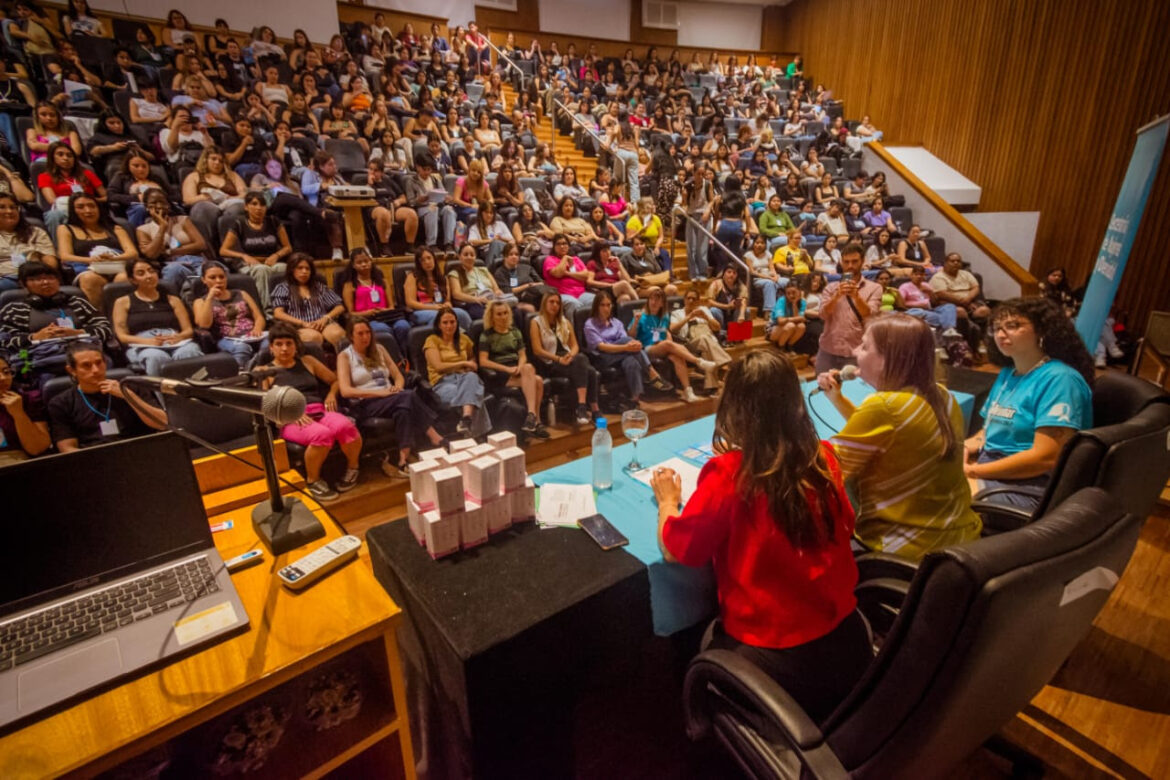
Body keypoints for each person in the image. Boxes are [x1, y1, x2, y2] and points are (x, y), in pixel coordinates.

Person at [650, 349, 870, 724]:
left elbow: (677, 550)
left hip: (775, 657)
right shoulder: (825, 458)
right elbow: (847, 526)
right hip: (847, 641)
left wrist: (668, 502)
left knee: (689, 635)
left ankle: (698, 721)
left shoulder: (730, 473)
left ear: (735, 407)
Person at [817, 314, 981, 559]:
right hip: (959, 538)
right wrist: (837, 399)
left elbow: (828, 470)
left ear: (887, 359)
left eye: (865, 346)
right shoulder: (942, 395)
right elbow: (889, 436)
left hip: (904, 549)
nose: (855, 351)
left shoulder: (884, 406)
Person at [964, 298, 1095, 510]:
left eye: (1013, 325)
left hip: (1029, 485)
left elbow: (1045, 458)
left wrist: (973, 471)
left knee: (935, 494)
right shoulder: (1008, 373)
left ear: (1042, 330)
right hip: (991, 468)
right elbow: (988, 429)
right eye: (996, 328)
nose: (1000, 334)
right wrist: (964, 447)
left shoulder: (1061, 379)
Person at [261, 323, 362, 502]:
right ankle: (313, 480)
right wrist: (291, 413)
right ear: (271, 347)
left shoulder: (308, 361)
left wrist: (331, 394)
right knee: (322, 435)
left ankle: (353, 469)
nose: (284, 348)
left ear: (296, 345)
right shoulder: (264, 371)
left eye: (289, 343)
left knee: (346, 426)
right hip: (291, 419)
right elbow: (264, 403)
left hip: (319, 411)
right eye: (279, 344)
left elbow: (335, 381)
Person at [337, 316, 444, 479]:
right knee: (408, 397)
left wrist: (398, 387)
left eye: (368, 332)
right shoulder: (345, 356)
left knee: (403, 410)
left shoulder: (379, 349)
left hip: (393, 398)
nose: (365, 337)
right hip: (367, 402)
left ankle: (403, 458)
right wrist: (380, 393)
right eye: (360, 333)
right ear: (351, 336)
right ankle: (434, 435)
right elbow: (345, 391)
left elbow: (398, 375)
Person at [48, 341, 168, 452]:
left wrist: (128, 396)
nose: (95, 370)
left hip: (140, 450)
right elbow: (67, 448)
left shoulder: (131, 387)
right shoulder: (61, 403)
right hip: (94, 457)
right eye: (86, 365)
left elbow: (162, 423)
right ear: (72, 370)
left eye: (99, 363)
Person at [0, 262, 113, 367]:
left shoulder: (77, 303)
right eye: (37, 279)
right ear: (24, 284)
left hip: (84, 356)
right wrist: (34, 337)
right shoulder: (14, 309)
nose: (46, 282)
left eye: (51, 278)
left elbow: (105, 328)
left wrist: (79, 333)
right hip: (39, 360)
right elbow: (5, 341)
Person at [584, 291, 673, 406]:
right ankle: (652, 374)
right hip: (602, 357)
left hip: (621, 354)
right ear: (596, 306)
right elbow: (602, 346)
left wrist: (631, 346)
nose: (606, 308)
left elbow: (626, 341)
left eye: (608, 305)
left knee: (631, 361)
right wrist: (627, 347)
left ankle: (635, 398)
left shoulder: (616, 323)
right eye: (602, 305)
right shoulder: (590, 324)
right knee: (629, 342)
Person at [630, 287, 717, 402]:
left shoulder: (664, 316)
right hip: (647, 348)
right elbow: (630, 335)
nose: (654, 302)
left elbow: (666, 333)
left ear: (662, 304)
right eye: (652, 299)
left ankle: (688, 392)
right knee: (668, 344)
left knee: (678, 356)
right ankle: (699, 362)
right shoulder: (641, 316)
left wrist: (671, 345)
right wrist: (635, 322)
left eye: (657, 300)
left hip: (663, 346)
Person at [529, 291, 602, 426]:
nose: (555, 305)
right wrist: (558, 359)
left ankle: (584, 407)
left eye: (557, 303)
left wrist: (570, 355)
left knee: (584, 363)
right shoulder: (536, 322)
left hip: (569, 359)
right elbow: (537, 350)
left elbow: (575, 346)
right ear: (544, 303)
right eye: (551, 302)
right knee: (588, 368)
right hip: (550, 362)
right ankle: (591, 409)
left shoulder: (565, 322)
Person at [478, 300, 549, 438]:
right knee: (538, 381)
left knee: (529, 368)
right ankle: (536, 421)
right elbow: (483, 361)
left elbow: (522, 355)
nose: (503, 317)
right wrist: (506, 369)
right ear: (492, 316)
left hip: (517, 369)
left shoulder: (515, 331)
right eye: (499, 314)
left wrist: (519, 367)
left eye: (505, 313)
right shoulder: (486, 335)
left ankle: (531, 418)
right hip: (499, 374)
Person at [57, 193, 138, 307]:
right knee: (90, 279)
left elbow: (133, 253)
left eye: (92, 206)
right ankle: (99, 316)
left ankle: (122, 313)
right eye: (81, 207)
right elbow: (65, 256)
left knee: (124, 278)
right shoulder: (65, 229)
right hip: (86, 269)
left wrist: (112, 258)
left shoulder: (116, 228)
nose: (88, 210)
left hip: (116, 266)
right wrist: (93, 260)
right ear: (73, 210)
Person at [815, 243, 883, 374]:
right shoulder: (831, 288)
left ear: (862, 261)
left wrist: (856, 297)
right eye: (846, 262)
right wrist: (836, 296)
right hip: (828, 349)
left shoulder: (875, 288)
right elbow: (823, 315)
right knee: (822, 384)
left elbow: (871, 317)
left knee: (854, 387)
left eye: (854, 261)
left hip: (856, 351)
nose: (850, 266)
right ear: (841, 262)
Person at [219, 191, 291, 311]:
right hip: (249, 265)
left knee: (284, 268)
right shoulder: (239, 224)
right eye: (254, 204)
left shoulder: (273, 221)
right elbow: (223, 251)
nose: (259, 208)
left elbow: (288, 247)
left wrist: (276, 255)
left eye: (262, 205)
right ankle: (267, 310)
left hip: (271, 262)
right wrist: (243, 256)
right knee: (261, 270)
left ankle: (288, 307)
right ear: (246, 207)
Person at [424, 307, 490, 437]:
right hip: (442, 382)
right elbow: (438, 366)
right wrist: (463, 363)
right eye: (445, 322)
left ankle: (466, 419)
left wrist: (471, 365)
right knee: (473, 395)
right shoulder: (432, 340)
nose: (449, 326)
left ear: (457, 323)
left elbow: (472, 359)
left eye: (452, 322)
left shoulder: (464, 339)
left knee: (471, 378)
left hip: (464, 378)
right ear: (439, 325)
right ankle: (477, 436)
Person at [191, 261, 266, 369]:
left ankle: (264, 371)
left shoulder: (242, 294)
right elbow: (204, 324)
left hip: (251, 335)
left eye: (221, 277)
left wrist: (257, 328)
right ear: (204, 280)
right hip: (226, 339)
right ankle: (240, 374)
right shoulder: (200, 302)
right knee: (242, 348)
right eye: (212, 277)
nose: (218, 281)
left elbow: (259, 317)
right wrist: (210, 298)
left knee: (271, 344)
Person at [135, 189, 206, 293]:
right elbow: (151, 254)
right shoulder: (143, 229)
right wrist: (162, 227)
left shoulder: (183, 220)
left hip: (196, 261)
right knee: (174, 270)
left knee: (210, 272)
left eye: (162, 202)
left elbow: (201, 245)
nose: (159, 206)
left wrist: (169, 252)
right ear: (146, 207)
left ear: (168, 205)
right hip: (172, 265)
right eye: (154, 203)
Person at [271, 254, 346, 349]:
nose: (304, 271)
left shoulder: (319, 287)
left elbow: (340, 307)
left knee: (337, 334)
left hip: (322, 323)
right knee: (314, 337)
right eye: (300, 268)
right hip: (298, 326)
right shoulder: (283, 288)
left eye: (307, 269)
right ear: (292, 270)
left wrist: (325, 318)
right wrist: (303, 323)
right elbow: (278, 313)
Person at [341, 247, 410, 348]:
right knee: (383, 329)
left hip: (388, 316)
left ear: (371, 261)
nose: (364, 264)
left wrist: (384, 310)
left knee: (403, 326)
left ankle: (405, 355)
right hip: (367, 319)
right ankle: (394, 356)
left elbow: (391, 306)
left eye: (366, 261)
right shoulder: (349, 285)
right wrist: (369, 312)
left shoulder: (383, 281)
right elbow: (351, 313)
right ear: (353, 265)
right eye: (359, 262)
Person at [37, 141, 105, 235]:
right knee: (53, 215)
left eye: (69, 155)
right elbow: (52, 200)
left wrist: (91, 201)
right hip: (65, 210)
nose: (65, 158)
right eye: (60, 155)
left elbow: (105, 196)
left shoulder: (86, 173)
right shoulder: (44, 177)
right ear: (52, 158)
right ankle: (60, 243)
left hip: (88, 209)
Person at [670, 289, 731, 385]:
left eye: (694, 299)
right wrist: (688, 317)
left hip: (708, 342)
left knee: (705, 347)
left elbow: (717, 328)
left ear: (698, 301)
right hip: (689, 343)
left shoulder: (704, 310)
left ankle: (711, 386)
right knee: (704, 338)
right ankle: (724, 363)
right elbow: (672, 329)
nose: (691, 301)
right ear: (684, 300)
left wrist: (706, 317)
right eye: (688, 298)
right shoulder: (677, 313)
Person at [0, 193, 56, 292]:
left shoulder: (36, 232)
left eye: (13, 207)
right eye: (2, 207)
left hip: (34, 277)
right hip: (4, 276)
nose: (9, 211)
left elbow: (51, 262)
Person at [0, 352, 50, 463]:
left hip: (17, 462)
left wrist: (18, 414)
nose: (3, 378)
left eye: (6, 372)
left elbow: (37, 448)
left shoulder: (29, 399)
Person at [447, 243, 514, 321]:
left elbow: (496, 288)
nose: (469, 257)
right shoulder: (455, 273)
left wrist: (498, 292)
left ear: (475, 257)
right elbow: (456, 294)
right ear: (459, 257)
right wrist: (476, 299)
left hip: (491, 299)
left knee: (516, 311)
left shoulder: (483, 270)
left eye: (472, 255)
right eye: (466, 255)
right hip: (474, 302)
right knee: (484, 314)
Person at [542, 234, 596, 317]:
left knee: (596, 300)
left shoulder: (576, 259)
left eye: (564, 243)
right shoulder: (550, 260)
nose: (562, 246)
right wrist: (565, 258)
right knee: (574, 304)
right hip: (561, 294)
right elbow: (558, 274)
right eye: (558, 244)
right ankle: (573, 326)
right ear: (554, 247)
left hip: (581, 293)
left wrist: (567, 273)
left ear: (568, 246)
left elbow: (585, 276)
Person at [898, 266, 959, 334]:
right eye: (916, 274)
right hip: (916, 311)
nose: (919, 276)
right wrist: (921, 304)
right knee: (942, 317)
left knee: (950, 306)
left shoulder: (926, 285)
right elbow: (900, 303)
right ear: (911, 275)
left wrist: (930, 292)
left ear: (924, 276)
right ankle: (948, 329)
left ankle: (949, 330)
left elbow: (934, 303)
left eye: (921, 274)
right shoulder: (904, 286)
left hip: (930, 310)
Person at [493, 242, 551, 311]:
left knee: (551, 295)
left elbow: (541, 282)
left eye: (516, 254)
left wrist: (534, 285)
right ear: (505, 256)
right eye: (511, 254)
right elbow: (508, 291)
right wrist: (528, 285)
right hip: (516, 300)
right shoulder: (500, 273)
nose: (514, 257)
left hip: (535, 294)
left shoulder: (527, 268)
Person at [769, 282, 809, 353]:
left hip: (788, 327)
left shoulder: (802, 302)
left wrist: (794, 304)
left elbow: (800, 320)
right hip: (773, 328)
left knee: (801, 326)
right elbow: (780, 321)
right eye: (788, 293)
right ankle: (780, 347)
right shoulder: (781, 300)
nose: (791, 295)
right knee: (791, 325)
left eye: (794, 292)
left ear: (799, 292)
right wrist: (793, 319)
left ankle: (789, 346)